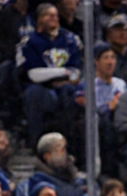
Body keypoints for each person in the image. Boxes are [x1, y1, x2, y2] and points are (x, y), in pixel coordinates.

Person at [18, 3, 83, 150]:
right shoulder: (30, 42)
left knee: (73, 95)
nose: (54, 18)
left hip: (66, 88)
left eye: (56, 15)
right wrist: (62, 72)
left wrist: (56, 76)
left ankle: (69, 147)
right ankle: (35, 146)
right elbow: (33, 74)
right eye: (49, 15)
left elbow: (76, 72)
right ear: (39, 19)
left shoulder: (70, 39)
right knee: (35, 94)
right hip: (39, 89)